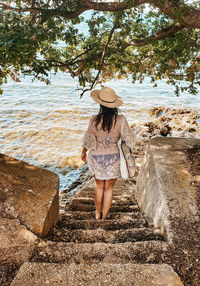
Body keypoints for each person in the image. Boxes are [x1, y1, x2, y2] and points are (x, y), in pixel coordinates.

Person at [81, 87, 135, 220]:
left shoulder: (94, 120)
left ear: (100, 104)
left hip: (96, 156)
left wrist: (83, 152)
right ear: (114, 105)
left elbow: (88, 140)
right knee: (109, 189)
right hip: (113, 157)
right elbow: (130, 140)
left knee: (99, 187)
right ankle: (104, 217)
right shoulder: (121, 120)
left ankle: (97, 214)